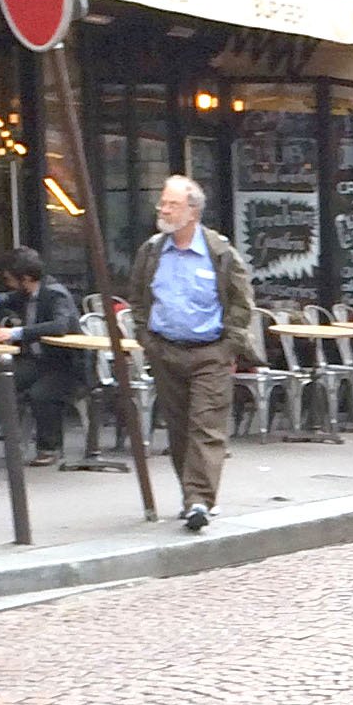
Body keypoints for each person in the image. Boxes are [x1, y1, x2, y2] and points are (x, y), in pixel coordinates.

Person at [127, 176, 257, 531]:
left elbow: (242, 303)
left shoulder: (220, 253)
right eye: (163, 203)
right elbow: (137, 298)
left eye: (172, 204)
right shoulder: (151, 252)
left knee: (206, 425)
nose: (163, 210)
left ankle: (198, 500)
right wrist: (146, 338)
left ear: (193, 212)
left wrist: (229, 345)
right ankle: (191, 493)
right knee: (179, 427)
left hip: (210, 353)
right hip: (166, 351)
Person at [0, 246, 85, 467]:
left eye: (9, 278)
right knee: (4, 382)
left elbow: (60, 325)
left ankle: (50, 448)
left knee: (41, 394)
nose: (7, 283)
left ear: (25, 278)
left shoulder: (55, 294)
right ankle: (6, 439)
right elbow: (11, 297)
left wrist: (16, 333)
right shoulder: (28, 292)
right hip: (38, 361)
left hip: (65, 365)